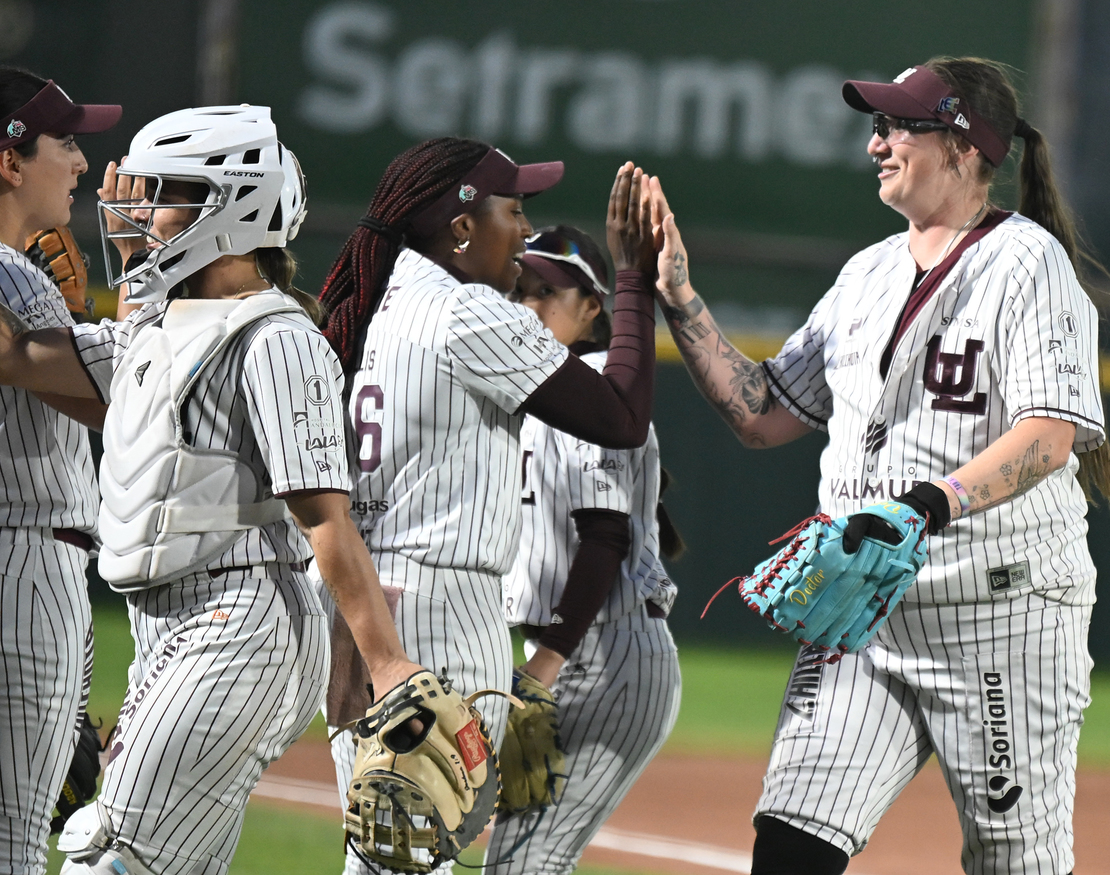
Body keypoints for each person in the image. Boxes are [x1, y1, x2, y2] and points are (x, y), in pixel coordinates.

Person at [652, 57, 1110, 875]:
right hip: (863, 614)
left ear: (963, 145)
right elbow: (763, 414)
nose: (877, 142)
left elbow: (1050, 437)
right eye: (877, 125)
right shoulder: (865, 274)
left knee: (1015, 862)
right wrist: (681, 296)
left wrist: (923, 506)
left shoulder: (1027, 264)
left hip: (1000, 615)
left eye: (898, 124)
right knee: (790, 844)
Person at [0, 104, 422, 875]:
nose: (135, 212)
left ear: (228, 208)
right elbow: (16, 355)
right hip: (173, 627)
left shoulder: (277, 334)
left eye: (161, 194)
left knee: (111, 857)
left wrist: (387, 663)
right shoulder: (160, 330)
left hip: (240, 621)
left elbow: (325, 518)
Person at [316, 139, 664, 875]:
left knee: (383, 856)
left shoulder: (365, 305)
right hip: (441, 607)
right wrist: (633, 279)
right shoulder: (465, 310)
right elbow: (619, 415)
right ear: (463, 226)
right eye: (515, 209)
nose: (526, 232)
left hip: (361, 606)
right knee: (408, 861)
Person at [487, 225, 683, 874]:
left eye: (550, 292)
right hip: (569, 650)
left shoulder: (596, 382)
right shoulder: (531, 389)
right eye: (521, 290)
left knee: (527, 862)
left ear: (594, 308)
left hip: (602, 655)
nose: (529, 305)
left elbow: (606, 536)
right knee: (517, 861)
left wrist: (544, 665)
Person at [0, 67, 119, 875]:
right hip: (25, 555)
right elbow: (119, 410)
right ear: (10, 160)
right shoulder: (16, 279)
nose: (80, 162)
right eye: (66, 142)